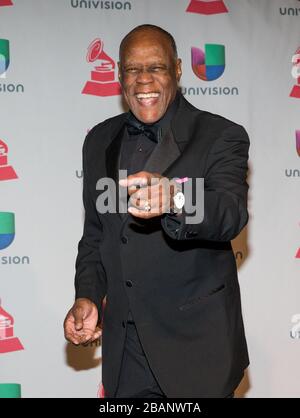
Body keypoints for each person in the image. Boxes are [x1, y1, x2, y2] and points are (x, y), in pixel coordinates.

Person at [64, 24, 250, 398]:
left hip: (196, 349)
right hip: (125, 352)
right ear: (119, 75)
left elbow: (230, 213)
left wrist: (176, 199)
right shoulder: (99, 140)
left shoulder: (220, 135)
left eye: (156, 67)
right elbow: (97, 235)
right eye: (132, 69)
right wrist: (87, 295)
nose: (143, 80)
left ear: (178, 69)